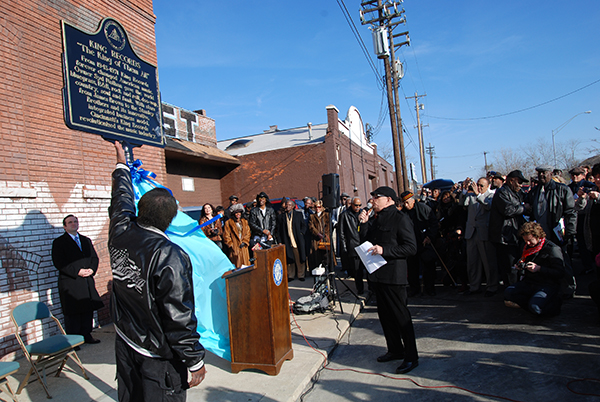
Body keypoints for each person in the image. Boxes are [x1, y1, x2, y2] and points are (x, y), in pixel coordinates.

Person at [109, 142, 205, 401]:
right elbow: (178, 315)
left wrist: (121, 164)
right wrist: (194, 360)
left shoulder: (120, 232)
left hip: (125, 341)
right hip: (155, 354)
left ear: (141, 210)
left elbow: (120, 199)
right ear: (171, 219)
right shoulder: (170, 255)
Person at [359, 186, 418, 374]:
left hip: (394, 276)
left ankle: (411, 357)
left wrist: (385, 251)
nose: (373, 200)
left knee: (401, 317)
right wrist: (364, 224)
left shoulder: (400, 218)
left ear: (390, 200)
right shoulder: (376, 219)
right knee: (385, 317)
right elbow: (367, 242)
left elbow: (411, 248)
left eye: (377, 197)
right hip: (378, 275)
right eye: (373, 197)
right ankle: (395, 349)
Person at [51, 214, 103, 344]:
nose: (73, 224)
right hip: (71, 282)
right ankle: (74, 340)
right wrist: (77, 271)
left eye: (75, 221)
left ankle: (87, 335)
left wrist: (91, 269)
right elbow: (59, 262)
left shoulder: (85, 240)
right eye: (70, 222)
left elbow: (94, 257)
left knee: (87, 309)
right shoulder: (59, 242)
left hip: (86, 280)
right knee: (73, 312)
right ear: (65, 226)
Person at [527, 165, 577, 298]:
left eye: (544, 173)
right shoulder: (535, 191)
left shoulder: (562, 190)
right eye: (539, 173)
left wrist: (570, 232)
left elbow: (571, 212)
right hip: (540, 235)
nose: (541, 176)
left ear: (550, 173)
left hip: (557, 232)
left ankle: (568, 288)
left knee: (562, 260)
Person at [504, 222, 565, 316]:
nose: (528, 243)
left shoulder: (552, 249)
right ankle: (531, 303)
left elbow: (560, 272)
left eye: (530, 240)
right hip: (530, 282)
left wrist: (539, 268)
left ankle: (551, 304)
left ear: (538, 236)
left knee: (536, 308)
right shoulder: (526, 247)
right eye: (525, 241)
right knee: (509, 293)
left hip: (547, 284)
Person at [489, 170, 529, 286]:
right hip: (504, 236)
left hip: (515, 234)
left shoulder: (517, 193)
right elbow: (508, 210)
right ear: (512, 180)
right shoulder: (502, 193)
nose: (520, 185)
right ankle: (510, 291)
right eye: (519, 182)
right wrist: (524, 208)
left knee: (517, 265)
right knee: (509, 267)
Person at [460, 177, 498, 296]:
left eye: (482, 186)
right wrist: (464, 190)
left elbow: (488, 206)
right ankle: (474, 286)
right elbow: (462, 204)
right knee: (472, 261)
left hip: (484, 232)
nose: (479, 188)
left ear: (487, 186)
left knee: (488, 261)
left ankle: (491, 286)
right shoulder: (471, 196)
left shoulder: (490, 196)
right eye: (478, 185)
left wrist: (478, 194)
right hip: (471, 232)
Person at [400, 190, 439, 296]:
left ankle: (429, 288)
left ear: (413, 201)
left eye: (407, 202)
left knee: (428, 266)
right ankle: (414, 288)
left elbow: (434, 224)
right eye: (404, 203)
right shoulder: (403, 213)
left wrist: (430, 236)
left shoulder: (424, 209)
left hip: (424, 241)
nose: (406, 205)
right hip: (411, 243)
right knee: (412, 268)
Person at [339, 197, 367, 294]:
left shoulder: (363, 213)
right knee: (357, 269)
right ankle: (360, 288)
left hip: (363, 243)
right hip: (353, 245)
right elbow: (341, 233)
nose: (358, 207)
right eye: (356, 205)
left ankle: (370, 288)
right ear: (351, 204)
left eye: (360, 205)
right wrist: (344, 248)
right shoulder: (345, 215)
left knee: (367, 268)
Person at [276, 198, 307, 281]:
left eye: (289, 205)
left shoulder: (298, 214)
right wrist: (279, 241)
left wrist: (301, 233)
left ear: (293, 207)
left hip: (297, 240)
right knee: (289, 259)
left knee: (299, 258)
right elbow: (278, 231)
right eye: (287, 205)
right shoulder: (281, 217)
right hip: (287, 240)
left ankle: (301, 275)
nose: (287, 206)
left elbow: (304, 225)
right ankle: (291, 275)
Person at [222, 203, 251, 268]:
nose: (238, 214)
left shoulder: (244, 222)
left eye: (239, 212)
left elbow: (248, 233)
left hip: (244, 248)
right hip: (235, 249)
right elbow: (226, 235)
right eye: (236, 213)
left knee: (246, 266)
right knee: (237, 267)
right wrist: (232, 245)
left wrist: (245, 241)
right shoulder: (228, 223)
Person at [308, 200, 331, 270]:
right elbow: (311, 226)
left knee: (326, 254)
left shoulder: (326, 215)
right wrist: (317, 233)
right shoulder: (312, 216)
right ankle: (317, 268)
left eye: (319, 207)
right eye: (316, 207)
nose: (317, 208)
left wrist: (324, 233)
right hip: (316, 238)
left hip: (325, 237)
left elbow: (328, 225)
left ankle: (327, 267)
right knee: (316, 254)